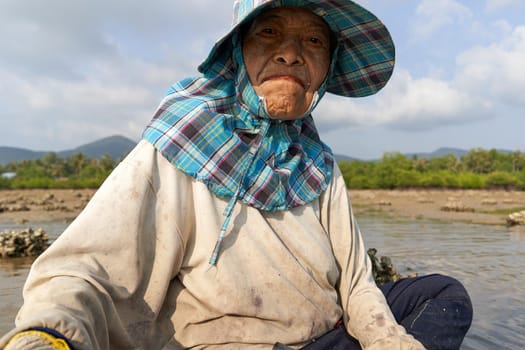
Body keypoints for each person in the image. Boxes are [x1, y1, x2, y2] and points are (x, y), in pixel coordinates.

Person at [0, 1, 473, 349]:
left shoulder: (320, 166)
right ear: (236, 55)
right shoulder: (179, 141)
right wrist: (47, 335)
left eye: (312, 41)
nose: (291, 54)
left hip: (326, 339)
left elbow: (356, 285)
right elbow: (86, 271)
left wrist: (391, 345)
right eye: (269, 32)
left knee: (444, 295)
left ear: (325, 70)